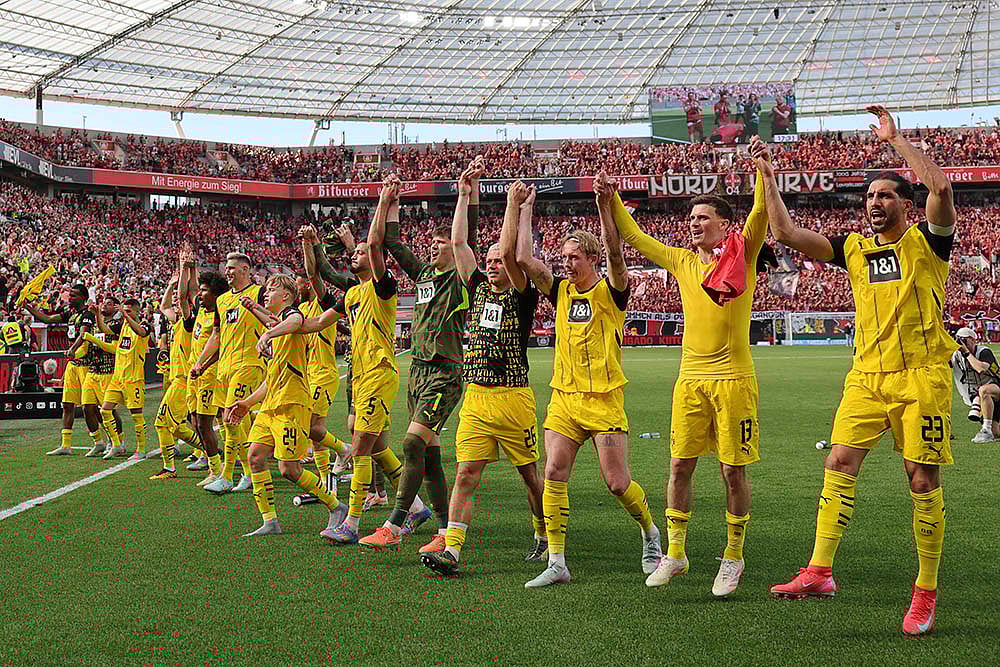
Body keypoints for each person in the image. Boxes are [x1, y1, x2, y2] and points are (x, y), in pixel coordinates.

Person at [768, 106, 958, 636]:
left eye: (886, 195)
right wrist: (767, 176)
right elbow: (785, 232)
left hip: (921, 377)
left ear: (905, 203)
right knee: (839, 462)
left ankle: (925, 592)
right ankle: (819, 572)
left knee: (921, 478)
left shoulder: (929, 242)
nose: (875, 203)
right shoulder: (853, 248)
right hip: (867, 377)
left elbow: (941, 187)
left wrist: (895, 141)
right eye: (870, 196)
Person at [606, 136, 769, 596]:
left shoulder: (744, 252)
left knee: (732, 472)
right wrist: (611, 196)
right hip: (691, 380)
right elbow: (635, 237)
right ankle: (675, 553)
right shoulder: (680, 261)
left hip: (734, 380)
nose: (694, 224)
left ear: (724, 224)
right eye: (691, 218)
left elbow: (760, 213)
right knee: (679, 466)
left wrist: (762, 169)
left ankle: (733, 556)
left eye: (703, 218)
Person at [515, 176, 662, 589]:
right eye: (564, 256)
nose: (567, 263)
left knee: (617, 483)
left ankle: (650, 532)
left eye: (575, 257)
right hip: (564, 399)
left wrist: (603, 204)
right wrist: (525, 208)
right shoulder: (560, 291)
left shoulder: (612, 291)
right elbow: (524, 259)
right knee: (553, 471)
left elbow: (616, 251)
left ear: (592, 259)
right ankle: (557, 561)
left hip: (604, 401)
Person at [420, 174, 546, 578]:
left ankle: (544, 532)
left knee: (530, 477)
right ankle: (453, 550)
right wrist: (463, 195)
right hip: (476, 397)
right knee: (465, 474)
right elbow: (459, 244)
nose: (492, 265)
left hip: (513, 398)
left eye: (497, 262)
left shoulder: (522, 294)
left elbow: (510, 253)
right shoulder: (476, 289)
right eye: (488, 261)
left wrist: (514, 206)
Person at [360, 166, 485, 553]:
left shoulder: (460, 278)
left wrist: (468, 193)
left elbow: (469, 236)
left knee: (412, 443)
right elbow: (391, 243)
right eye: (432, 242)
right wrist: (391, 201)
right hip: (417, 372)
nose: (433, 247)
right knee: (428, 456)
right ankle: (445, 531)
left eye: (441, 241)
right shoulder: (425, 275)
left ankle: (395, 524)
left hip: (445, 372)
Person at [301, 181, 424, 545]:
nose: (353, 256)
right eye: (352, 253)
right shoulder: (353, 293)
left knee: (360, 448)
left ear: (374, 259)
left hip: (378, 373)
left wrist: (385, 201)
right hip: (362, 376)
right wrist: (275, 328)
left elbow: (372, 245)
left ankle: (352, 523)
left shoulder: (383, 287)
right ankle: (416, 507)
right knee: (378, 447)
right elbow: (316, 322)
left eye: (359, 253)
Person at [227, 274, 349, 537]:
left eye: (272, 290)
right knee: (255, 456)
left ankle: (336, 506)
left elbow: (295, 320)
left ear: (286, 296)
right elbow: (271, 380)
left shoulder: (292, 317)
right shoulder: (279, 329)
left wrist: (268, 333)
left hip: (292, 404)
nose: (266, 293)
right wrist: (247, 403)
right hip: (270, 406)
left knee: (289, 469)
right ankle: (270, 521)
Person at [192, 252, 265, 494]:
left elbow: (273, 319)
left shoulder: (259, 293)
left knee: (231, 419)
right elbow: (217, 335)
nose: (228, 272)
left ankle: (227, 476)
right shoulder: (222, 300)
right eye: (226, 268)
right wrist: (200, 363)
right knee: (227, 423)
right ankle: (250, 471)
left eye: (232, 268)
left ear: (245, 269)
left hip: (249, 364)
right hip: (224, 368)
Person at [296, 229, 352, 487]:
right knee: (314, 431)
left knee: (312, 426)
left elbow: (313, 273)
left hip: (323, 373)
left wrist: (307, 244)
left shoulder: (322, 304)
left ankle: (342, 449)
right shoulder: (299, 309)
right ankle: (323, 480)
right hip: (307, 374)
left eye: (300, 283)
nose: (298, 285)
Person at [24, 283, 97, 456]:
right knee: (67, 405)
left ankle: (104, 441)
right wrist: (28, 308)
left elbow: (84, 334)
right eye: (69, 295)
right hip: (72, 364)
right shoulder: (70, 313)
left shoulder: (88, 314)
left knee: (92, 408)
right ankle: (66, 445)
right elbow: (47, 320)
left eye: (74, 295)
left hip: (86, 365)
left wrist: (73, 348)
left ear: (83, 298)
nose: (70, 298)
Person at [149, 248, 203, 480]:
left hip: (184, 380)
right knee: (178, 425)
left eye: (180, 303)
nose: (176, 304)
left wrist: (185, 268)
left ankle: (170, 467)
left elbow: (186, 295)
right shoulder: (178, 322)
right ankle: (207, 451)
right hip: (178, 379)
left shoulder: (191, 322)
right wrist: (174, 281)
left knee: (162, 423)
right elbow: (164, 307)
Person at [84, 298, 152, 461]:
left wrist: (125, 316)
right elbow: (105, 330)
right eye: (124, 310)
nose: (124, 314)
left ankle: (141, 449)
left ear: (137, 311)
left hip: (133, 379)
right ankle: (116, 445)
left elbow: (141, 332)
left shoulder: (145, 325)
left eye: (129, 311)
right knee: (104, 410)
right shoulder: (122, 326)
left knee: (136, 415)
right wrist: (98, 315)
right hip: (117, 377)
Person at [186, 269, 229, 487]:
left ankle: (216, 469)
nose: (200, 294)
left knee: (204, 424)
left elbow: (220, 348)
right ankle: (216, 464)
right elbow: (188, 292)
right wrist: (188, 268)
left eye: (204, 291)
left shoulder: (219, 316)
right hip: (195, 373)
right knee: (195, 421)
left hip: (210, 375)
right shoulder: (202, 310)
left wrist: (203, 366)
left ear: (215, 294)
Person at [71, 296, 124, 458]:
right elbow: (87, 345)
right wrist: (75, 353)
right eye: (103, 303)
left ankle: (118, 442)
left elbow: (111, 345)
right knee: (87, 408)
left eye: (109, 304)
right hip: (92, 370)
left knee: (109, 410)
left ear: (116, 308)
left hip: (108, 371)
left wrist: (95, 324)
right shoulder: (94, 325)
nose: (105, 305)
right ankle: (98, 442)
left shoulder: (117, 325)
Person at [953, 327, 1000, 442]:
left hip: (995, 388)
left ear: (973, 340)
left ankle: (986, 429)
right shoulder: (957, 355)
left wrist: (967, 353)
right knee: (997, 434)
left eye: (965, 340)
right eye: (960, 340)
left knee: (984, 390)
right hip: (981, 396)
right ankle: (990, 429)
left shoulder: (983, 352)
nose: (962, 343)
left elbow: (980, 369)